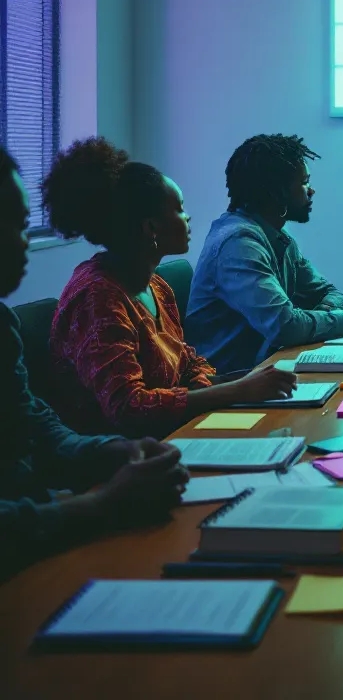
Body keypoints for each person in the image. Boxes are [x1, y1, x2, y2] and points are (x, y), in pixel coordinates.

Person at [0, 147, 189, 581]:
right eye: (11, 221)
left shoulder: (0, 324)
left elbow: (37, 425)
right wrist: (102, 503)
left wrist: (114, 453)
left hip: (51, 519)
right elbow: (125, 406)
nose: (26, 236)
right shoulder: (96, 292)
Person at [42, 138, 296, 437]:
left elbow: (188, 366)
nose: (188, 217)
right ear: (151, 228)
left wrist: (242, 381)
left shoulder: (156, 285)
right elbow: (127, 408)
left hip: (175, 434)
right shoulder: (97, 298)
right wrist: (237, 390)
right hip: (126, 460)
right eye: (179, 208)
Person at [187, 134, 343, 374]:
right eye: (304, 182)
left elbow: (329, 292)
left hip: (270, 370)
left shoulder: (277, 236)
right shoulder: (239, 244)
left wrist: (320, 316)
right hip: (233, 386)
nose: (312, 191)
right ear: (275, 192)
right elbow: (286, 327)